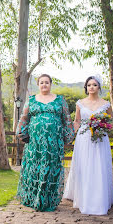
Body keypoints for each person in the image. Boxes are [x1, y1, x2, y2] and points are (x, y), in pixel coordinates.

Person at [16, 74, 75, 212]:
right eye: (41, 82)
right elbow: (24, 118)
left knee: (51, 167)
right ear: (38, 84)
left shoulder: (60, 100)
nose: (44, 85)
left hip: (53, 141)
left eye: (46, 82)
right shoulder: (31, 100)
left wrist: (68, 136)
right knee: (34, 167)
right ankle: (32, 198)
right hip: (34, 142)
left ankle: (48, 200)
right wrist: (21, 133)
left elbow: (66, 118)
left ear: (50, 84)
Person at [63, 75, 113, 215]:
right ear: (86, 88)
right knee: (84, 166)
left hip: (100, 139)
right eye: (89, 85)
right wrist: (70, 135)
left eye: (94, 85)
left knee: (99, 166)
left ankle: (100, 198)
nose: (91, 87)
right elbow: (77, 121)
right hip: (83, 138)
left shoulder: (106, 104)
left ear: (99, 87)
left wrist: (102, 127)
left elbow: (110, 122)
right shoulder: (80, 103)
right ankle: (83, 196)